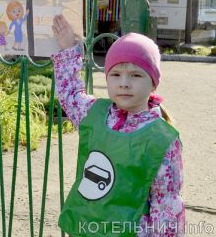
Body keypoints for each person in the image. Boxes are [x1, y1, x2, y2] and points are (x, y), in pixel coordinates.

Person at [51, 14, 184, 236]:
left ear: (153, 83)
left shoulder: (161, 139)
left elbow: (167, 204)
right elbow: (69, 93)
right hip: (86, 227)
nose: (124, 83)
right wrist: (67, 51)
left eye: (135, 75)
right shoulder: (94, 113)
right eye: (115, 74)